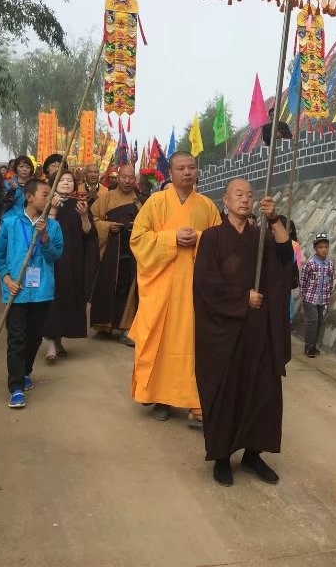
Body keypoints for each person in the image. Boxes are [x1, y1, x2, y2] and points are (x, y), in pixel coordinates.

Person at [194, 179, 294, 486]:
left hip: (257, 327)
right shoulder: (212, 237)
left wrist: (274, 219)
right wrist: (242, 299)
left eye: (249, 195)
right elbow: (204, 285)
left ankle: (253, 454)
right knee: (226, 391)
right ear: (224, 199)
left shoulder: (260, 237)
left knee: (261, 389)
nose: (245, 198)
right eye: (238, 194)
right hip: (223, 330)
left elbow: (285, 260)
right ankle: (222, 457)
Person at [129, 152, 221, 426]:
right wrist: (171, 239)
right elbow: (138, 239)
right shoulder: (156, 203)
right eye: (181, 168)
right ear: (171, 173)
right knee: (161, 341)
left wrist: (200, 239)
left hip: (195, 290)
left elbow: (220, 243)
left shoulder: (207, 206)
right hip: (162, 288)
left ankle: (194, 401)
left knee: (193, 345)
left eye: (192, 168)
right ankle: (161, 397)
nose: (187, 173)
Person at [0, 179, 64, 408]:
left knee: (34, 337)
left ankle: (25, 372)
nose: (49, 198)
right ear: (29, 196)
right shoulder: (11, 223)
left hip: (42, 292)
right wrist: (8, 280)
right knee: (17, 339)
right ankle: (15, 387)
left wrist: (44, 238)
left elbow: (54, 257)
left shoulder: (53, 227)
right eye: (45, 193)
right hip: (17, 292)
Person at [42, 172, 98, 362]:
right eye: (62, 180)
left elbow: (89, 233)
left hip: (73, 260)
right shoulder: (46, 202)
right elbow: (44, 232)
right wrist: (53, 211)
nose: (66, 183)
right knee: (52, 299)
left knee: (67, 300)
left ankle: (58, 341)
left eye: (70, 181)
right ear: (54, 184)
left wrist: (84, 215)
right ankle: (50, 344)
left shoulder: (79, 204)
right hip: (51, 259)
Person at [89, 164, 141, 345]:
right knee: (106, 285)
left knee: (131, 290)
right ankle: (103, 325)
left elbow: (149, 223)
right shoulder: (106, 198)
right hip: (111, 250)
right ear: (117, 178)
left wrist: (139, 228)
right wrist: (107, 226)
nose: (127, 181)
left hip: (133, 252)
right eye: (123, 177)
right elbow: (92, 218)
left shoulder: (139, 201)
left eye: (130, 178)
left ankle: (127, 328)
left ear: (135, 180)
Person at [299, 233, 335, 357]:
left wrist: (328, 295)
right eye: (320, 247)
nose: (324, 250)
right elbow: (303, 281)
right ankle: (308, 347)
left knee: (319, 322)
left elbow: (330, 281)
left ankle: (313, 346)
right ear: (315, 248)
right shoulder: (310, 263)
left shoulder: (330, 264)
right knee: (313, 321)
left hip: (322, 299)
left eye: (326, 247)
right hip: (310, 298)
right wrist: (305, 295)